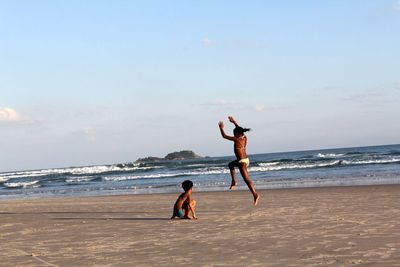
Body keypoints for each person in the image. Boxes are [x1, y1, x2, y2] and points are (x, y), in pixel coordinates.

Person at [218, 116, 260, 206]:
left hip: (242, 162)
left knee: (247, 179)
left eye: (234, 133)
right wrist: (234, 122)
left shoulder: (236, 139)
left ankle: (255, 195)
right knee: (231, 165)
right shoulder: (244, 138)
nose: (234, 135)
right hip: (244, 160)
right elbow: (240, 130)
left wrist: (221, 128)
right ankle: (234, 181)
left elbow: (224, 136)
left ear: (237, 134)